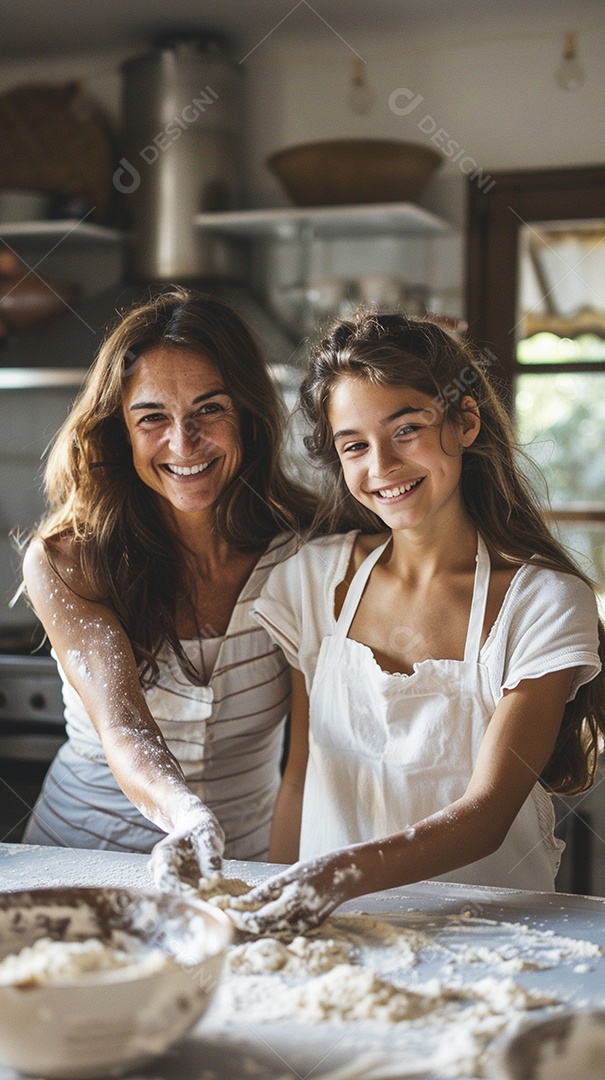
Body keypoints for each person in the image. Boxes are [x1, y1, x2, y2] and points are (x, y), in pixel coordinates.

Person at [227, 311, 605, 938]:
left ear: (466, 421)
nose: (382, 465)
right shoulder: (313, 582)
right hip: (339, 936)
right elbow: (298, 777)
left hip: (495, 943)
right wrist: (272, 907)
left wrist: (327, 878)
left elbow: (486, 816)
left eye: (407, 429)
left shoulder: (543, 603)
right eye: (354, 445)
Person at [19, 287, 316, 892]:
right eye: (152, 417)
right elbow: (124, 727)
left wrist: (281, 881)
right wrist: (188, 816)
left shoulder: (308, 552)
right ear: (119, 431)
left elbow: (304, 766)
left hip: (242, 867)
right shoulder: (69, 560)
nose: (184, 444)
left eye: (210, 410)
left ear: (248, 414)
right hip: (77, 863)